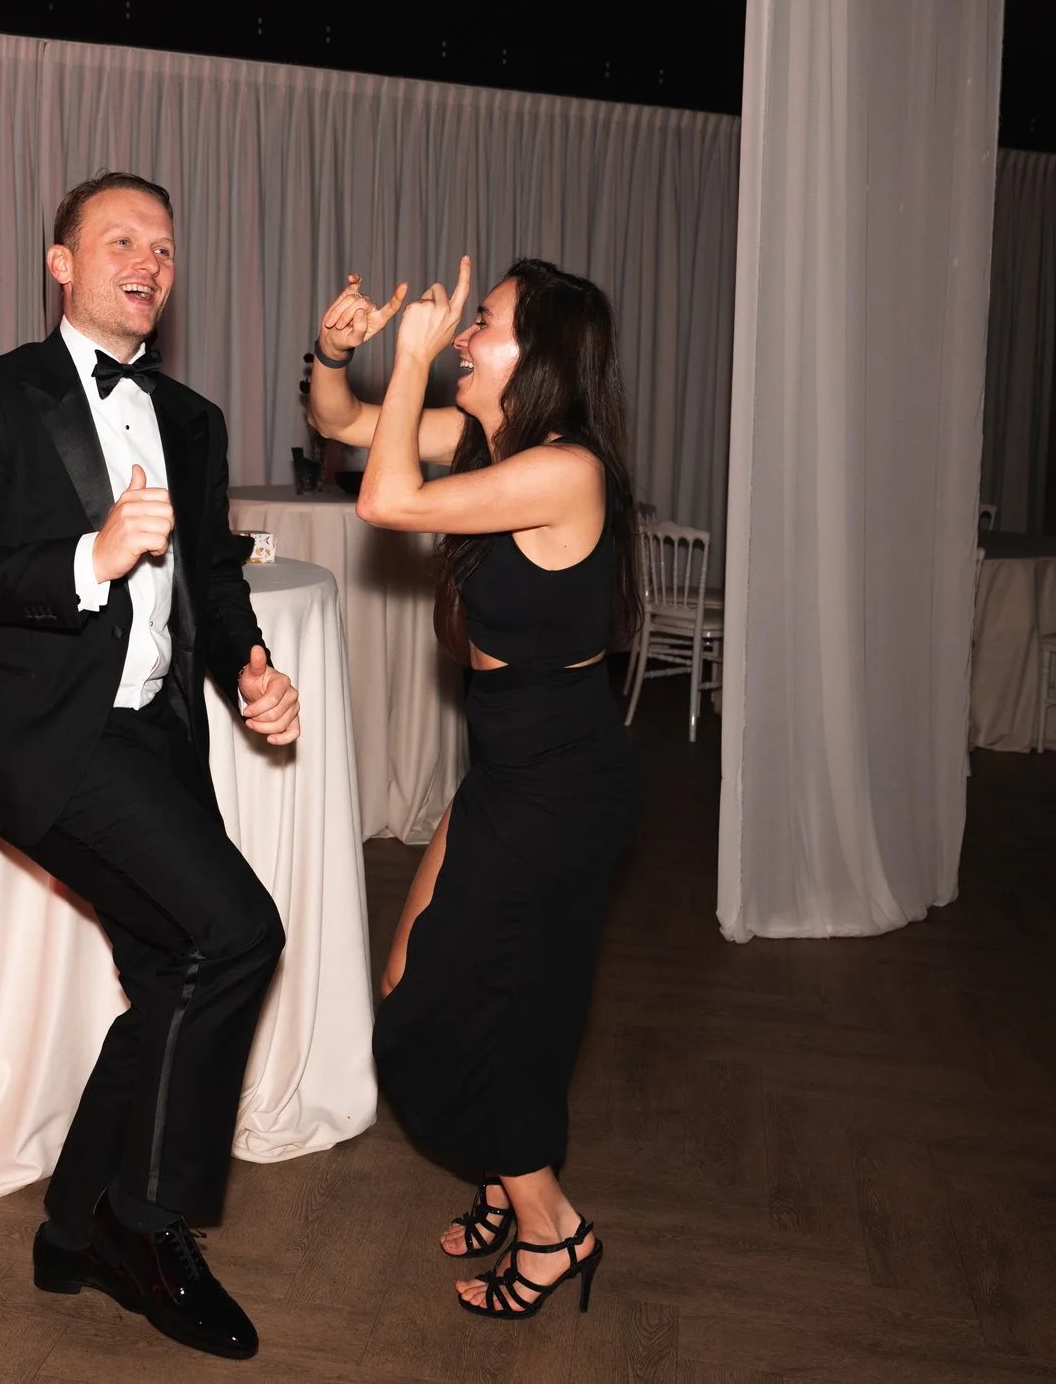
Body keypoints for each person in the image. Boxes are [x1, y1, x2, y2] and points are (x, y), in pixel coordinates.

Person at [0, 172, 300, 1363]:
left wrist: (249, 668)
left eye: (165, 246)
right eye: (121, 239)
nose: (148, 259)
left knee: (180, 965)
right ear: (60, 262)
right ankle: (146, 1222)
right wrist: (88, 553)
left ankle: (73, 1223)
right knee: (238, 933)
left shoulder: (192, 416)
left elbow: (213, 581)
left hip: (157, 737)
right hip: (50, 734)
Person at [312, 257, 640, 1320]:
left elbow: (385, 499)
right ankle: (505, 1180)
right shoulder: (498, 446)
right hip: (506, 767)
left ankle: (551, 1225)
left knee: (478, 1005)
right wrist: (336, 352)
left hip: (559, 787)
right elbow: (347, 428)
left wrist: (409, 360)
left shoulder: (567, 472)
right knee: (414, 980)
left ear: (536, 353)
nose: (459, 334)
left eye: (482, 323)